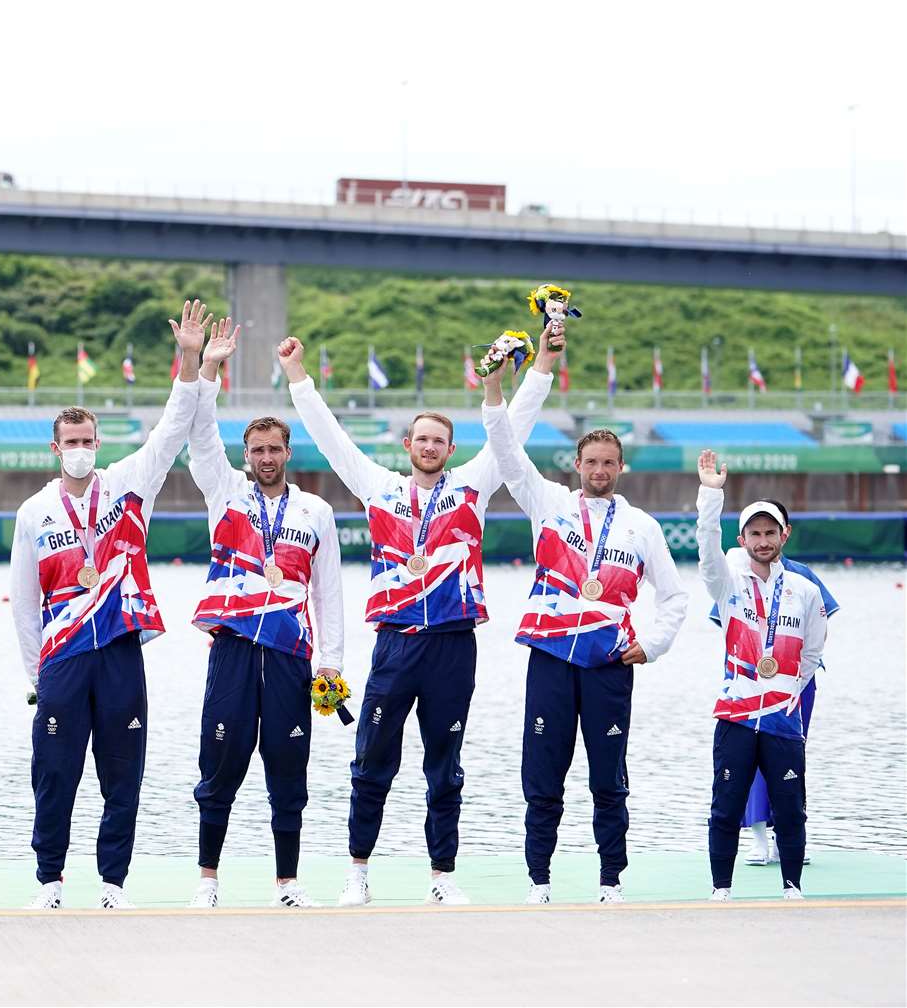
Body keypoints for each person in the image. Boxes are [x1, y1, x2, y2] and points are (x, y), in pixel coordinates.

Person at [279, 331, 555, 906]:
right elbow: (331, 441)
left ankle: (442, 877)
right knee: (372, 760)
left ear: (452, 450)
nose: (430, 447)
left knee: (445, 763)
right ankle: (357, 873)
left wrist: (545, 364)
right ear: (408, 443)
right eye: (422, 438)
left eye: (440, 441)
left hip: (453, 645)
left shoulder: (474, 485)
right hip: (395, 645)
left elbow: (516, 426)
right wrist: (298, 377)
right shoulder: (377, 487)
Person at [10, 299, 208, 909]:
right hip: (63, 657)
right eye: (70, 441)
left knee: (122, 773)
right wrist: (35, 675)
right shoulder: (34, 512)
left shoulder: (129, 484)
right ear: (54, 446)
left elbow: (172, 429)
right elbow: (23, 601)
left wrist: (190, 359)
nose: (80, 449)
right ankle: (50, 880)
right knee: (55, 775)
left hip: (120, 646)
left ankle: (112, 882)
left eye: (88, 440)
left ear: (98, 443)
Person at [487, 380, 687, 904]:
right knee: (543, 774)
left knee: (608, 778)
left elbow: (674, 598)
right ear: (576, 463)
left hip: (608, 664)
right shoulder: (546, 502)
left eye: (609, 463)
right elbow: (507, 453)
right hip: (551, 658)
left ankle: (610, 880)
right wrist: (492, 390)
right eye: (591, 461)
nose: (599, 471)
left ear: (621, 468)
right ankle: (539, 881)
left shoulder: (642, 527)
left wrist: (652, 645)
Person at [183, 318, 343, 908]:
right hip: (231, 650)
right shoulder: (223, 492)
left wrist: (331, 664)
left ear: (287, 453)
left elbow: (328, 595)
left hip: (289, 656)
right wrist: (209, 369)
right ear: (245, 456)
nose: (267, 458)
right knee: (218, 766)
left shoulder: (316, 511)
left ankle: (288, 882)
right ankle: (208, 881)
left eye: (276, 449)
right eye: (258, 450)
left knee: (287, 769)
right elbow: (199, 436)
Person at [693, 450, 826, 901]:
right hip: (735, 715)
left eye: (771, 532)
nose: (764, 540)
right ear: (743, 536)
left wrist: (785, 690)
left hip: (783, 719)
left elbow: (812, 654)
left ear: (784, 534)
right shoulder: (727, 583)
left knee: (790, 808)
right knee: (725, 807)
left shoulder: (806, 591)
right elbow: (707, 549)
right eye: (755, 533)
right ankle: (721, 889)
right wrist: (711, 494)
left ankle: (792, 887)